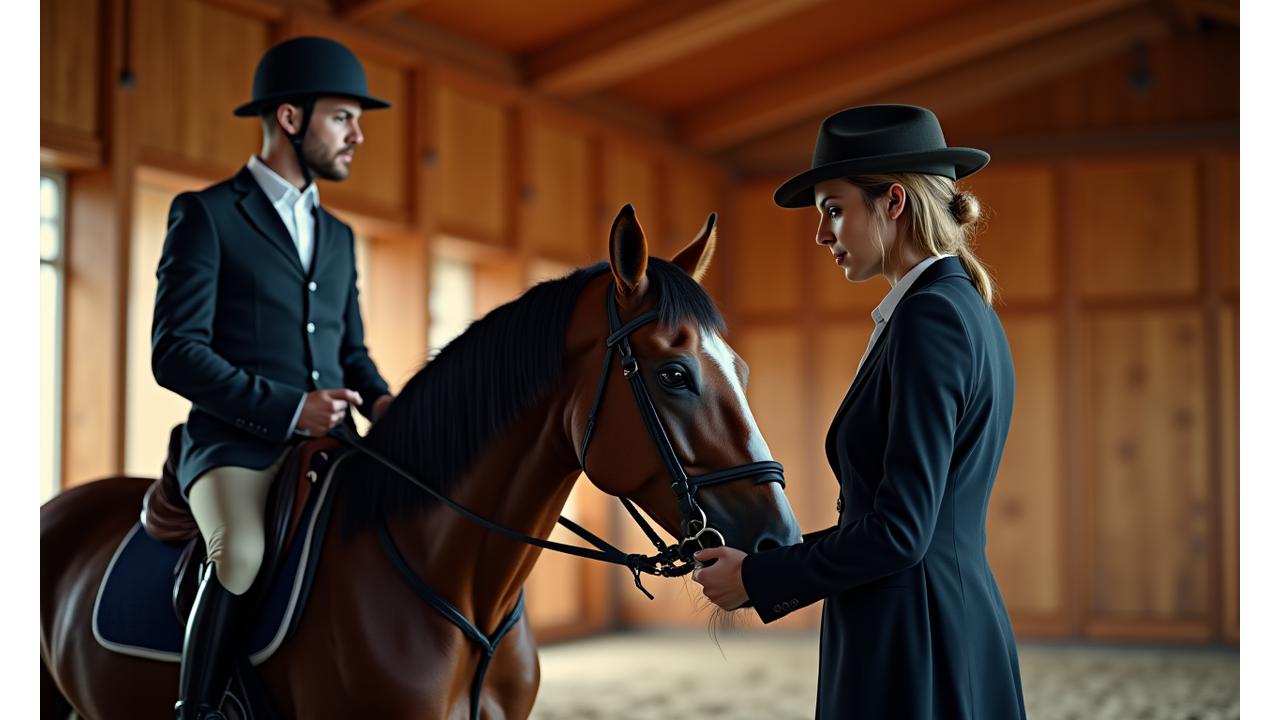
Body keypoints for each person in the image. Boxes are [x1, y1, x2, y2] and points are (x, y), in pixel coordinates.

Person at [691, 105, 1027, 719]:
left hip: (913, 639)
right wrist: (762, 567)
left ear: (893, 202)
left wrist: (758, 580)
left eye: (833, 210)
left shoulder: (929, 318)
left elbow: (900, 532)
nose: (822, 234)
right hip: (933, 618)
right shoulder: (958, 307)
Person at [151, 36, 396, 720]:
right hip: (235, 447)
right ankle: (199, 709)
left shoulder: (340, 235)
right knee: (240, 554)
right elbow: (175, 352)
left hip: (335, 443)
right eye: (342, 118)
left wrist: (385, 400)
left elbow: (350, 349)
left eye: (356, 121)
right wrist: (290, 409)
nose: (358, 135)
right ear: (290, 118)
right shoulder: (206, 215)